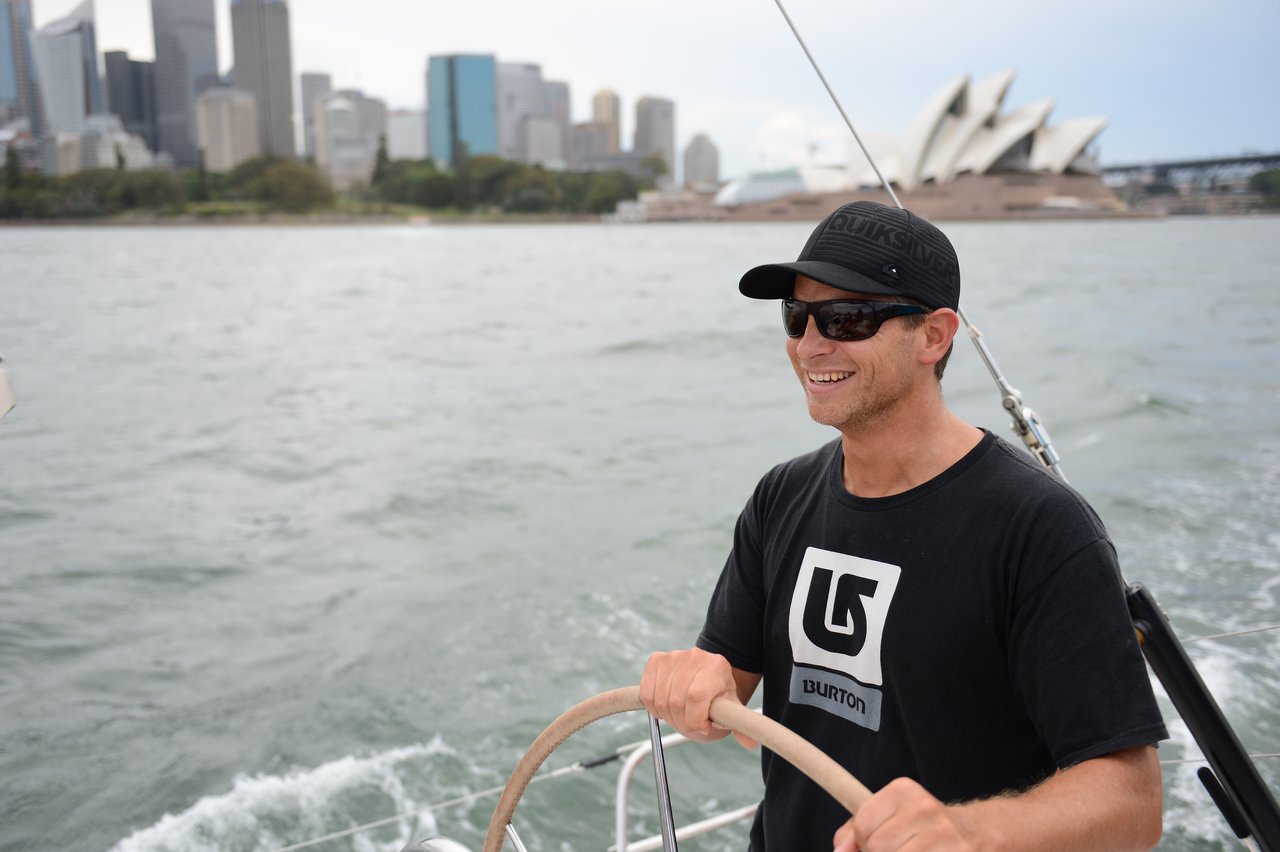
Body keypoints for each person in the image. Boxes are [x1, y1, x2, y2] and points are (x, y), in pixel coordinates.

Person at [640, 201, 1167, 851]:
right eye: (797, 316)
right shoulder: (782, 496)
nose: (810, 344)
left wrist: (967, 830)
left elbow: (1132, 802)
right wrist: (694, 681)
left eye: (847, 318)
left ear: (934, 336)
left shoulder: (1039, 528)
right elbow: (727, 684)